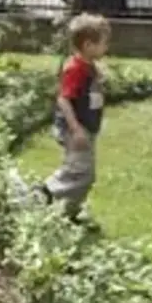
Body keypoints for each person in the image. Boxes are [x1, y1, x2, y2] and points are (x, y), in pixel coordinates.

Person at [41, 14, 110, 219]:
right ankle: (44, 194)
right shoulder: (75, 69)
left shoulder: (88, 66)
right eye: (104, 43)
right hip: (76, 130)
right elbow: (63, 99)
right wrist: (76, 129)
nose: (107, 48)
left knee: (84, 173)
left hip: (85, 128)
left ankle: (68, 211)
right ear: (89, 44)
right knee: (79, 173)